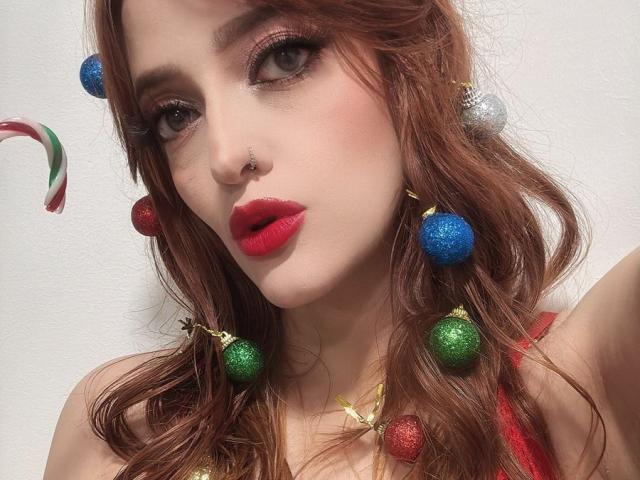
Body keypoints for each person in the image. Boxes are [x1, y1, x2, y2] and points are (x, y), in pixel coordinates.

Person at [43, 0, 639, 479]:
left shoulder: (575, 389)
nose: (224, 156)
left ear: (408, 58)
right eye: (175, 115)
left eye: (283, 58)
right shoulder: (122, 432)